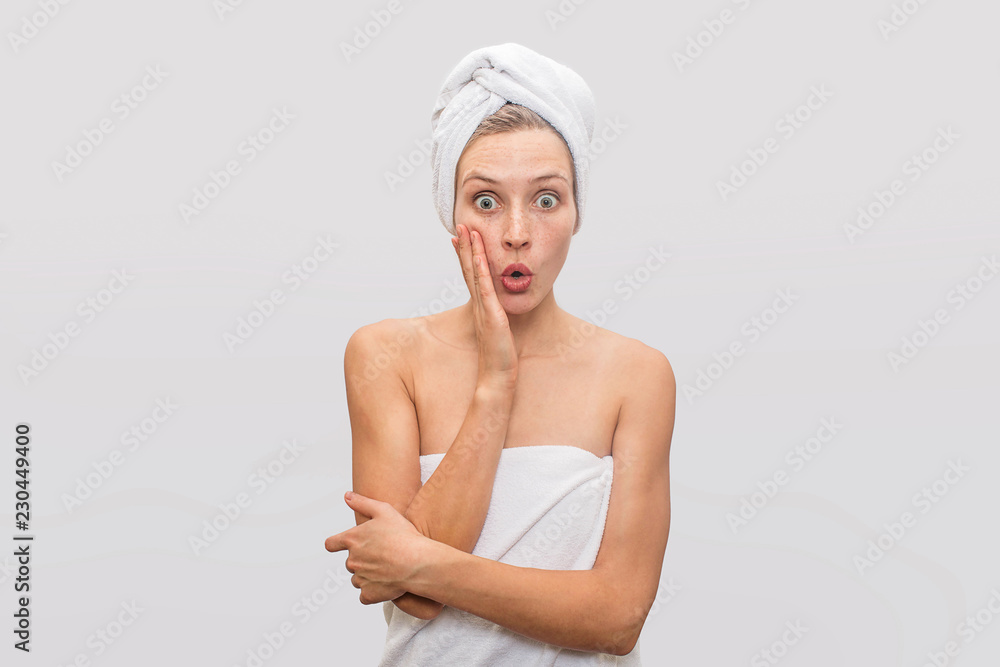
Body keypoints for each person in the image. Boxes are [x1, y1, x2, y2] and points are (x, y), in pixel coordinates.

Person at [325, 43, 675, 665]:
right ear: (450, 212)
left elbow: (617, 617)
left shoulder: (636, 376)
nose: (516, 232)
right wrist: (494, 383)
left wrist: (423, 561)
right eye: (486, 201)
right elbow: (409, 599)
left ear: (575, 212)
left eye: (546, 199)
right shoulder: (385, 356)